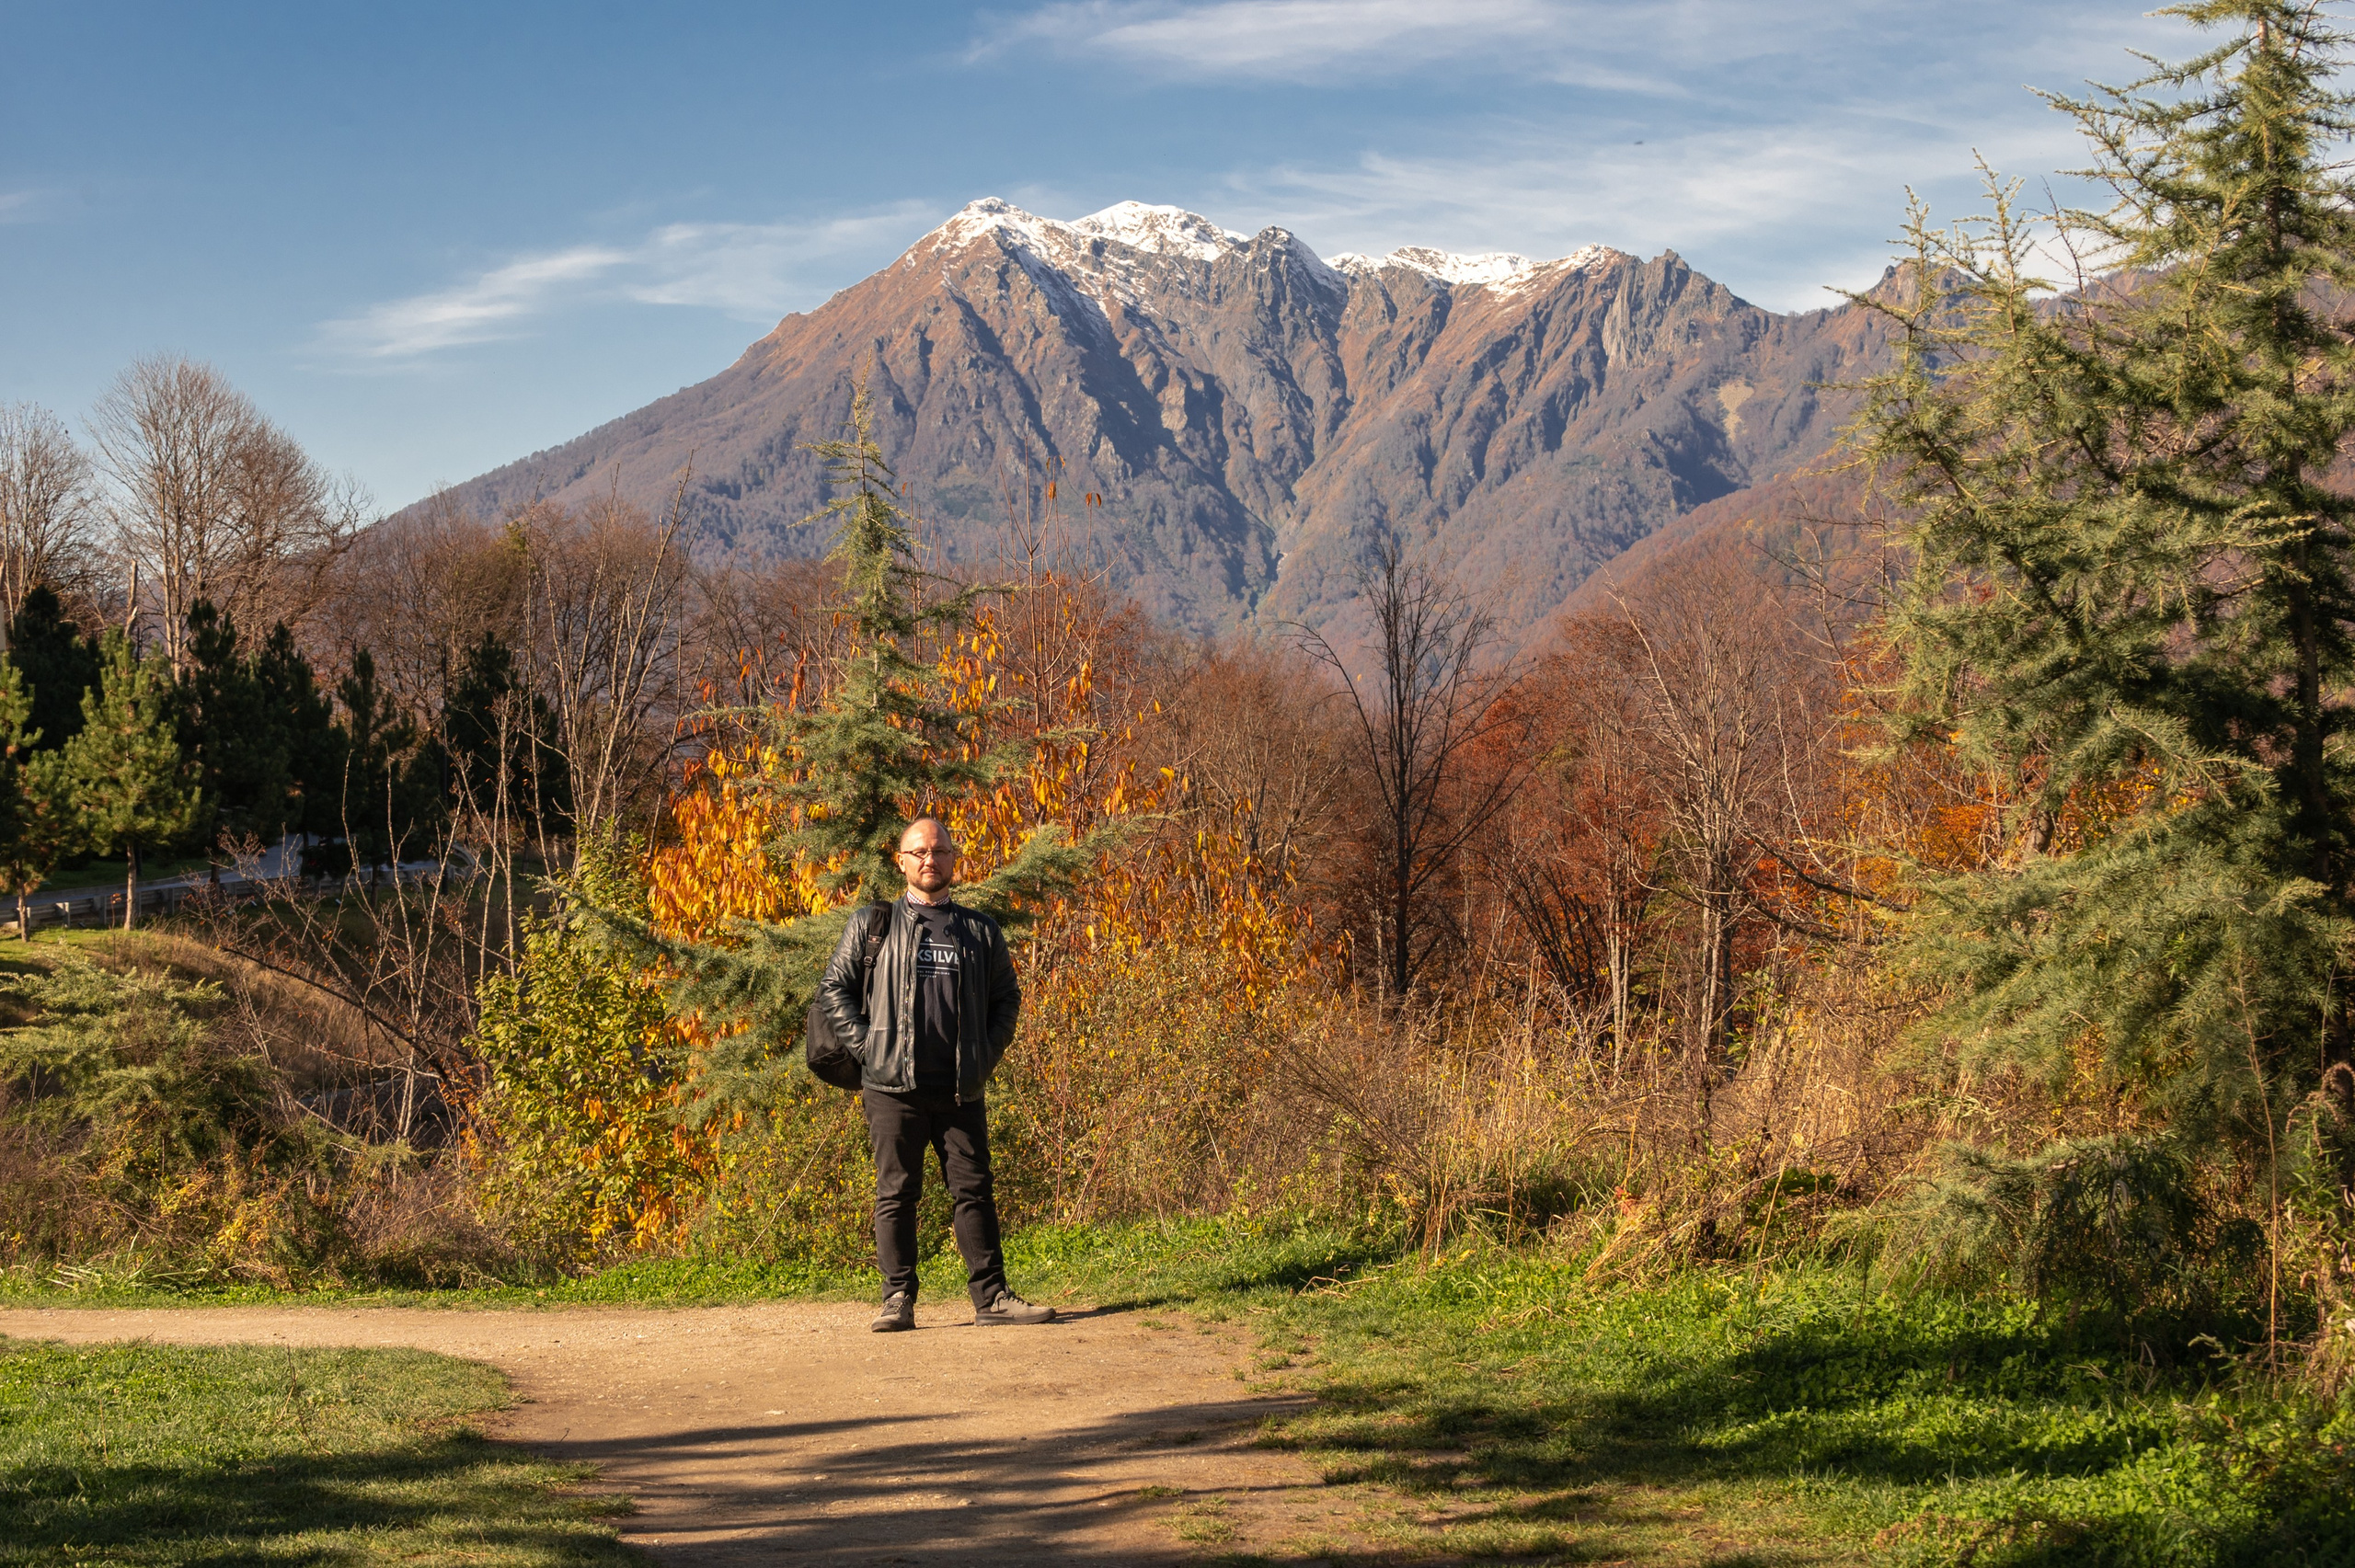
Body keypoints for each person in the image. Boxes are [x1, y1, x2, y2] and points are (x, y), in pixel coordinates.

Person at [817, 816, 1057, 1331]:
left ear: (953, 860)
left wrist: (984, 1056)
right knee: (896, 1193)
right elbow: (834, 989)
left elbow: (1006, 1000)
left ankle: (991, 1299)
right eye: (919, 851)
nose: (930, 859)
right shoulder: (872, 924)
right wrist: (869, 1047)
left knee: (973, 1190)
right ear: (900, 861)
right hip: (891, 1087)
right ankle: (897, 1299)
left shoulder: (979, 930)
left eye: (940, 851)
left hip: (959, 1088)